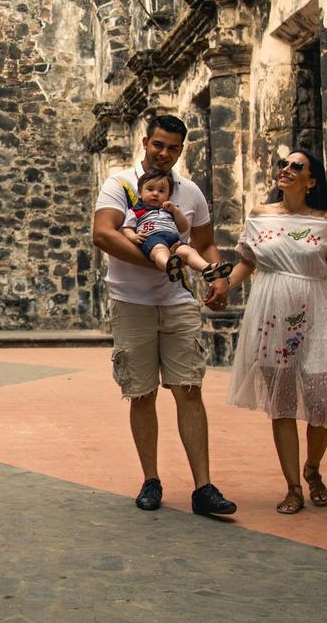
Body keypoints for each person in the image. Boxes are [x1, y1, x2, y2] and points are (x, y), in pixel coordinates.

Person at [92, 114, 236, 517]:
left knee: (189, 388)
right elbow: (103, 233)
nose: (164, 153)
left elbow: (205, 243)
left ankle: (203, 487)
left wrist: (219, 277)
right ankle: (151, 479)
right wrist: (155, 262)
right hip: (131, 301)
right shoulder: (120, 184)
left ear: (181, 150)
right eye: (158, 145)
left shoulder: (188, 192)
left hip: (177, 302)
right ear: (145, 142)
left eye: (173, 148)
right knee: (142, 392)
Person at [223, 149, 327, 514]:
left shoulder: (326, 221)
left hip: (315, 312)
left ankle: (313, 467)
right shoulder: (259, 216)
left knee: (321, 399)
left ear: (311, 181)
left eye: (295, 166)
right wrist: (224, 286)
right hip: (270, 313)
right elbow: (247, 263)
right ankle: (292, 487)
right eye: (282, 164)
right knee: (282, 403)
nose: (285, 170)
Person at [120, 168, 233, 287]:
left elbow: (183, 227)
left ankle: (207, 268)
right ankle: (168, 265)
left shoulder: (168, 210)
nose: (155, 194)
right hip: (152, 239)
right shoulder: (136, 211)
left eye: (161, 191)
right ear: (140, 193)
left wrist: (176, 211)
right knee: (159, 251)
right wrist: (133, 236)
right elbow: (127, 228)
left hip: (175, 240)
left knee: (189, 251)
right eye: (150, 189)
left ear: (168, 195)